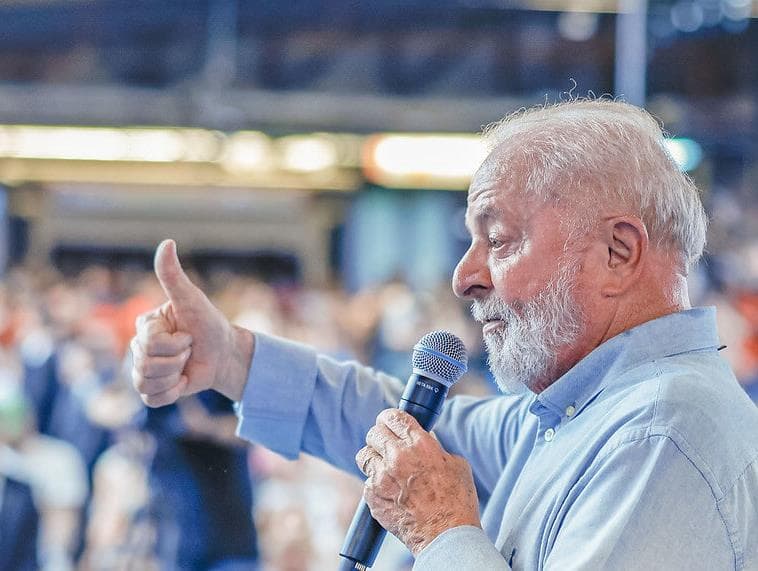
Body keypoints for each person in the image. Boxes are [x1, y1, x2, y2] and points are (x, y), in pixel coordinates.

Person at [131, 99, 758, 570]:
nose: (464, 276)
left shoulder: (659, 434)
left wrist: (441, 532)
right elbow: (399, 432)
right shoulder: (587, 413)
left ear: (618, 253)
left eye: (499, 240)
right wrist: (232, 359)